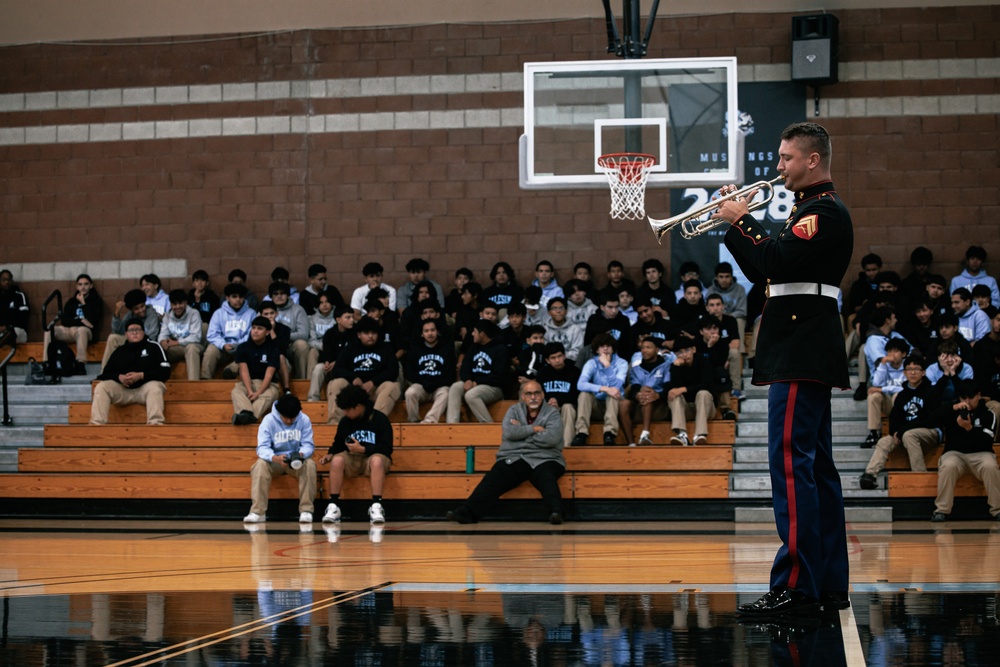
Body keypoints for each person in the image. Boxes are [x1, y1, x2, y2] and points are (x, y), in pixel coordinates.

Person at [716, 121, 853, 617]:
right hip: (804, 348)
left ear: (812, 160)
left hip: (800, 350)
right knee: (815, 470)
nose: (777, 167)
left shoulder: (822, 213)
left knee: (793, 472)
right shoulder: (809, 210)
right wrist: (745, 222)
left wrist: (739, 222)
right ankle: (826, 583)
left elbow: (770, 262)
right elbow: (778, 257)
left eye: (785, 158)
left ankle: (795, 585)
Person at [446, 380, 566, 525]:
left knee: (546, 475)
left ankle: (556, 513)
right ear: (522, 396)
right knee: (497, 474)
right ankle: (467, 512)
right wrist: (534, 429)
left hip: (546, 457)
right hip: (516, 456)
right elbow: (509, 433)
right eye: (529, 394)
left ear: (543, 394)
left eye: (536, 393)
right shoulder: (513, 410)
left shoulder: (552, 413)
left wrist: (521, 432)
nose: (533, 397)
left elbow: (552, 439)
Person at [858, 354, 941, 490]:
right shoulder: (902, 395)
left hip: (931, 432)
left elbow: (930, 419)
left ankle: (920, 476)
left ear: (923, 372)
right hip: (906, 434)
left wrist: (902, 431)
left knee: (910, 435)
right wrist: (896, 432)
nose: (913, 372)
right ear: (904, 372)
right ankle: (870, 475)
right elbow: (895, 418)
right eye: (909, 369)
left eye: (917, 369)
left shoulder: (932, 391)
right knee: (884, 441)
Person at [319, 384, 394, 524]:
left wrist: (364, 450)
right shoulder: (345, 422)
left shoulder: (380, 419)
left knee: (377, 460)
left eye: (347, 410)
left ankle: (376, 505)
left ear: (358, 406)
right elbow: (339, 443)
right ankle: (334, 505)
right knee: (336, 460)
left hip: (372, 458)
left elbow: (387, 448)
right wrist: (330, 454)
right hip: (353, 459)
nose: (345, 413)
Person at [242, 393, 318, 525]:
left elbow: (308, 445)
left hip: (296, 461)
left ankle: (306, 511)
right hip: (275, 461)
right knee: (259, 465)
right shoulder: (268, 420)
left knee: (310, 464)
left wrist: (301, 454)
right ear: (279, 412)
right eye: (285, 418)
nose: (289, 421)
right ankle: (257, 512)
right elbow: (262, 448)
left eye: (292, 418)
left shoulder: (304, 420)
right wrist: (274, 457)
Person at [931, 380, 1000, 522]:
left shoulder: (988, 414)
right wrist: (952, 407)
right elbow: (931, 418)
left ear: (979, 395)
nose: (967, 402)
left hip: (981, 454)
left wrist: (969, 428)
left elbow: (986, 441)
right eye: (963, 398)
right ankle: (942, 510)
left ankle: (997, 509)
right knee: (948, 465)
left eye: (971, 397)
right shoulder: (953, 410)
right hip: (955, 454)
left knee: (990, 466)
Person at [89, 318, 171, 425]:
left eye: (138, 329)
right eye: (131, 330)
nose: (135, 332)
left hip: (145, 390)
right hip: (123, 390)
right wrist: (119, 377)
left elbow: (165, 372)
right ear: (126, 334)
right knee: (102, 387)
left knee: (155, 387)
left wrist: (141, 375)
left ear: (143, 332)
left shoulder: (154, 347)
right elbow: (105, 374)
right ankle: (96, 425)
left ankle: (155, 424)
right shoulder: (120, 351)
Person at [326, 316, 400, 424]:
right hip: (353, 390)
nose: (370, 336)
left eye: (373, 333)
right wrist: (353, 378)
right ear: (359, 334)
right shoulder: (350, 348)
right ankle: (335, 424)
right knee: (336, 383)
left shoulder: (386, 348)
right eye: (366, 333)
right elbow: (337, 369)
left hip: (376, 389)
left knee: (393, 386)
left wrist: (373, 382)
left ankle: (374, 424)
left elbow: (393, 371)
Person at [447, 319, 509, 423]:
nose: (472, 334)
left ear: (482, 334)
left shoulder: (501, 349)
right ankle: (452, 424)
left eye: (474, 331)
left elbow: (499, 377)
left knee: (471, 395)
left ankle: (488, 426)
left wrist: (477, 382)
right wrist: (467, 379)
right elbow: (465, 367)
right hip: (474, 384)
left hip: (493, 387)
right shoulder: (473, 347)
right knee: (455, 387)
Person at [574, 333, 628, 446]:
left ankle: (609, 433)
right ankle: (581, 433)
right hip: (597, 405)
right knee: (584, 394)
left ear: (613, 349)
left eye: (608, 346)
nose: (605, 348)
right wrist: (604, 388)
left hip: (616, 405)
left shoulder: (622, 363)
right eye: (601, 346)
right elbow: (580, 384)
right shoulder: (591, 363)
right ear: (597, 350)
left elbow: (617, 386)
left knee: (614, 393)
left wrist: (607, 366)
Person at [231, 316, 282, 425]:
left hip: (268, 384)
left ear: (267, 332)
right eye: (253, 328)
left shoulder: (273, 349)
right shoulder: (243, 347)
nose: (255, 331)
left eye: (259, 328)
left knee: (270, 395)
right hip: (249, 382)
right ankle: (248, 415)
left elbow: (269, 374)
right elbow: (244, 371)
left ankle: (245, 416)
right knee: (236, 391)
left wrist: (259, 392)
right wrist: (250, 390)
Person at [620, 336, 671, 447]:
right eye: (642, 348)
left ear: (657, 350)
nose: (644, 351)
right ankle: (631, 443)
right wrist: (638, 395)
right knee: (624, 404)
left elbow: (668, 388)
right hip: (641, 405)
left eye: (648, 347)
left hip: (660, 405)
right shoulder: (635, 369)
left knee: (648, 394)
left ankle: (645, 434)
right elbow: (635, 389)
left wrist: (657, 395)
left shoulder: (666, 366)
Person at [664, 338, 715, 446]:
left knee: (703, 393)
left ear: (694, 349)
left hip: (706, 408)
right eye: (679, 352)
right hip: (686, 409)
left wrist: (684, 389)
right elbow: (673, 388)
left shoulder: (704, 362)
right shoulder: (675, 366)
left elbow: (708, 385)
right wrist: (676, 368)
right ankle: (682, 435)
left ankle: (700, 435)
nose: (684, 355)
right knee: (674, 394)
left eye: (687, 350)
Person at [403, 319, 456, 423]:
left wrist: (436, 384)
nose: (430, 333)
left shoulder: (447, 349)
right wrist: (424, 383)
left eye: (432, 330)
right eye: (426, 331)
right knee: (410, 392)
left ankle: (429, 421)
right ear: (422, 334)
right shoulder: (415, 349)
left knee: (446, 393)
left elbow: (450, 373)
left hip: (440, 386)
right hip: (422, 386)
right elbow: (410, 372)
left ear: (438, 332)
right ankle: (413, 421)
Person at [860, 338, 910, 448]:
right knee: (874, 396)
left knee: (898, 395)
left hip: (904, 407)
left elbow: (904, 388)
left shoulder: (908, 366)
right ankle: (874, 432)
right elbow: (876, 383)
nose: (892, 354)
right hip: (889, 405)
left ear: (904, 354)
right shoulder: (885, 365)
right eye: (889, 351)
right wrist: (882, 364)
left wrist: (882, 389)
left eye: (896, 351)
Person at [43, 273, 103, 365]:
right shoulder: (71, 302)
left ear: (91, 286)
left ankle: (80, 363)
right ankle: (46, 362)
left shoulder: (96, 301)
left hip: (86, 332)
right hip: (70, 330)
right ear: (77, 287)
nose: (83, 287)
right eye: (80, 284)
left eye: (86, 284)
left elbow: (92, 321)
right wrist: (82, 321)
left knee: (82, 330)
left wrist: (83, 303)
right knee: (49, 330)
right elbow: (64, 320)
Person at [201, 282, 254, 379]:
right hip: (223, 348)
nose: (238, 300)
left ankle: (230, 370)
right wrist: (223, 344)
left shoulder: (251, 313)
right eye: (234, 296)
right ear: (227, 298)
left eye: (241, 297)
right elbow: (212, 334)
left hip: (242, 348)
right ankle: (205, 379)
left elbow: (252, 334)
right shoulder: (219, 313)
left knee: (251, 349)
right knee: (211, 350)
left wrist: (239, 344)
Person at [537, 342, 582, 447]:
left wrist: (559, 402)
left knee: (568, 408)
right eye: (553, 358)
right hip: (548, 406)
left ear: (564, 356)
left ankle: (567, 446)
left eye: (559, 356)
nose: (557, 360)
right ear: (547, 360)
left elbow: (576, 395)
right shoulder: (542, 373)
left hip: (568, 406)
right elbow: (539, 393)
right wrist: (550, 402)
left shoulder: (574, 371)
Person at [307, 304, 355, 401]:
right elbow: (327, 352)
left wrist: (338, 362)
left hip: (349, 367)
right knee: (318, 368)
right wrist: (327, 361)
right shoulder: (330, 333)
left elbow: (353, 354)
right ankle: (312, 400)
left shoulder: (356, 333)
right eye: (348, 317)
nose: (352, 320)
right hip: (332, 366)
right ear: (338, 320)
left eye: (352, 317)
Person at [157, 289, 204, 381]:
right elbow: (163, 334)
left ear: (185, 303)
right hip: (177, 348)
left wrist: (177, 342)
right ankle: (160, 382)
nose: (177, 307)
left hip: (194, 345)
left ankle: (193, 385)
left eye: (180, 303)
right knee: (158, 349)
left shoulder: (194, 313)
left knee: (191, 348)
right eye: (174, 304)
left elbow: (196, 337)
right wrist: (162, 341)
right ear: (170, 304)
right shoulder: (167, 316)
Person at [268, 282, 310, 379]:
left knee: (302, 344)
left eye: (282, 293)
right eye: (276, 294)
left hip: (290, 346)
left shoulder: (298, 310)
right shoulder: (266, 310)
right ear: (271, 296)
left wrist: (283, 336)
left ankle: (301, 380)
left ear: (287, 295)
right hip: (270, 345)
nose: (279, 296)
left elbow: (303, 334)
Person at [542, 297, 584, 362]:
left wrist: (560, 357)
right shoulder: (544, 330)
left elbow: (577, 352)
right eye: (554, 308)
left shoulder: (575, 329)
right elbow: (544, 351)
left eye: (561, 308)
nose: (558, 311)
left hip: (571, 363)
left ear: (566, 311)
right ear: (549, 312)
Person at [0, 269, 29, 343]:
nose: (6, 282)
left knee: (9, 332)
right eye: (3, 280)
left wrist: (6, 326)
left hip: (18, 330)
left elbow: (23, 317)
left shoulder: (19, 296)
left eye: (8, 280)